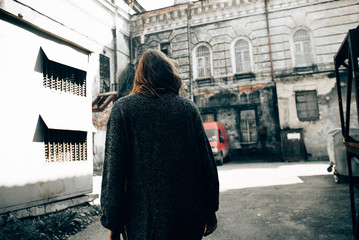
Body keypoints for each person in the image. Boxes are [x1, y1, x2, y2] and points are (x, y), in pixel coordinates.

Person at [100, 49, 219, 240]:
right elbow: (206, 166)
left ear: (140, 77)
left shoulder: (123, 109)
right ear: (169, 74)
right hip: (188, 220)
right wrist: (210, 210)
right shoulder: (187, 108)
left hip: (143, 222)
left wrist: (113, 224)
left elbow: (114, 173)